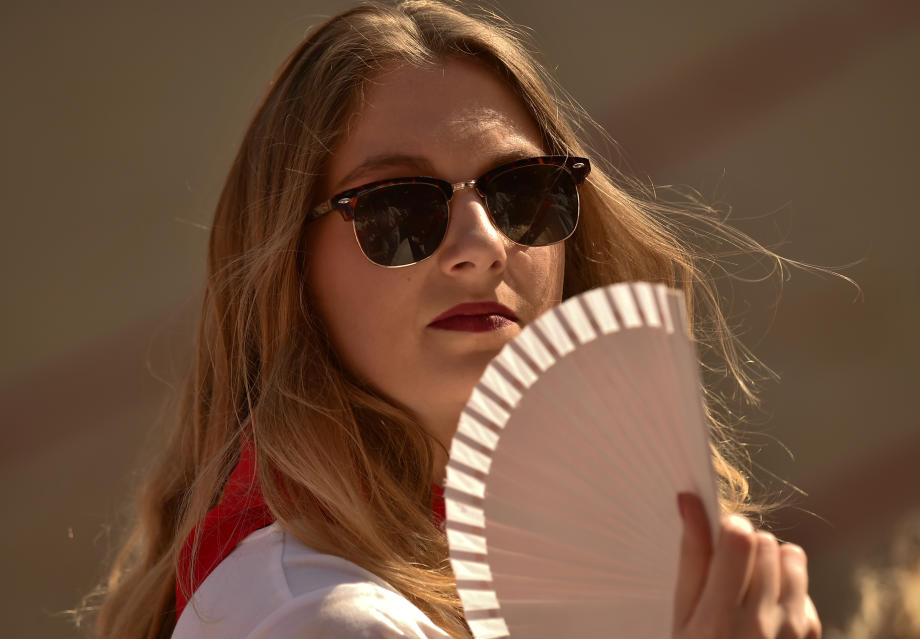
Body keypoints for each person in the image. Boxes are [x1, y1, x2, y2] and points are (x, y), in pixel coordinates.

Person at [80, 1, 823, 637]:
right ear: (291, 276)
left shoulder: (548, 578)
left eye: (523, 193)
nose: (482, 247)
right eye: (398, 208)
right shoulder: (317, 615)